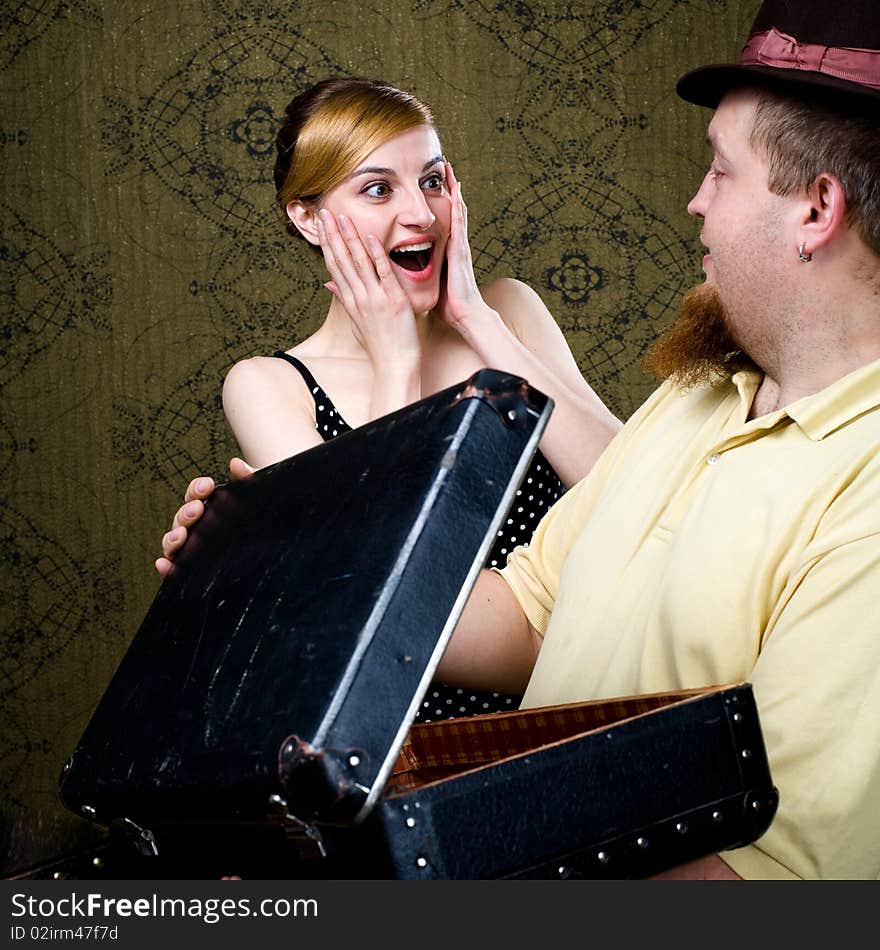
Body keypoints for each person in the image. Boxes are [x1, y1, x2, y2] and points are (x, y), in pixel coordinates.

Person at [437, 0, 880, 879]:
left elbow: (762, 883)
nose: (694, 202)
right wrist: (300, 566)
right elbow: (527, 614)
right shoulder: (699, 391)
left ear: (816, 209)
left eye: (720, 171)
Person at [156, 77, 622, 721]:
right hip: (412, 744)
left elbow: (637, 495)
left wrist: (477, 321)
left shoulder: (509, 311)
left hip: (593, 691)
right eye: (379, 189)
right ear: (309, 217)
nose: (422, 215)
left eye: (432, 181)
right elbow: (372, 583)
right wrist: (396, 360)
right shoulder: (269, 385)